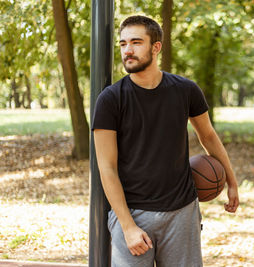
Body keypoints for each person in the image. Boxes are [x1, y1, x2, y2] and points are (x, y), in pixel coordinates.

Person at [92, 15, 239, 267]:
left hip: (182, 212)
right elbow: (107, 167)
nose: (128, 50)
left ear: (156, 47)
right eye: (123, 44)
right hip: (132, 214)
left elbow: (208, 137)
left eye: (136, 42)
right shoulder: (110, 100)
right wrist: (127, 226)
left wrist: (232, 181)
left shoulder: (185, 90)